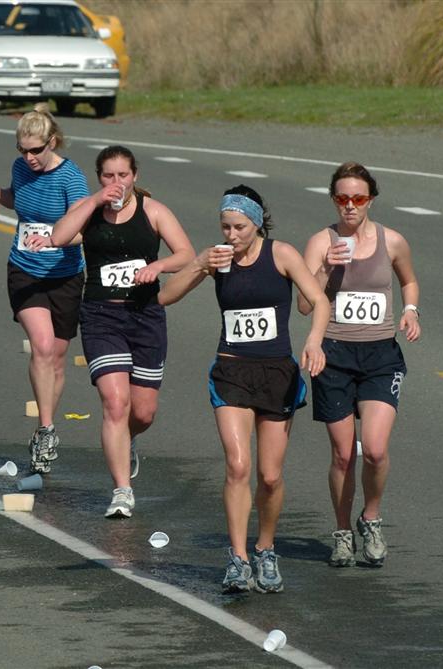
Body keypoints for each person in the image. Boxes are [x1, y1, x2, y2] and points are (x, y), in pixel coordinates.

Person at [159, 185, 330, 594]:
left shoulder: (281, 254)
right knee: (237, 466)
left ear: (256, 224)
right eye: (225, 227)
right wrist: (200, 263)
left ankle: (265, 549)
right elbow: (165, 296)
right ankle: (237, 558)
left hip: (277, 374)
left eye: (239, 227)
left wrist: (314, 341)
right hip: (232, 371)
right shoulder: (216, 258)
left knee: (270, 476)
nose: (231, 235)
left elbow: (319, 301)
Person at [33, 145, 194, 518]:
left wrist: (158, 267)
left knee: (144, 411)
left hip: (145, 315)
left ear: (135, 176)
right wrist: (93, 201)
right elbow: (59, 236)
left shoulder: (153, 211)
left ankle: (127, 439)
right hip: (101, 316)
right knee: (115, 402)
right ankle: (122, 491)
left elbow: (186, 253)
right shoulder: (90, 210)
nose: (116, 182)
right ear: (99, 177)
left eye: (123, 175)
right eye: (108, 175)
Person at [298, 162, 421, 569]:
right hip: (333, 355)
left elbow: (408, 280)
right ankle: (341, 531)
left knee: (376, 450)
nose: (350, 205)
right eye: (342, 198)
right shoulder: (321, 242)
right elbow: (303, 306)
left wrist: (411, 310)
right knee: (342, 456)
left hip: (380, 356)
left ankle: (371, 517)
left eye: (358, 198)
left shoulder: (393, 241)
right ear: (333, 200)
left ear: (371, 200)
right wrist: (325, 268)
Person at [0, 104, 88, 475]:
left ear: (52, 142)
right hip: (25, 269)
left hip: (65, 274)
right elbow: (19, 197)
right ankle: (47, 430)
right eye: (23, 150)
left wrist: (56, 239)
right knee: (41, 345)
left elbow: (85, 230)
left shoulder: (71, 178)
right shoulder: (21, 168)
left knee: (57, 357)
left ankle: (44, 422)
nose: (29, 157)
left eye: (36, 150)